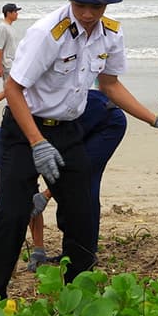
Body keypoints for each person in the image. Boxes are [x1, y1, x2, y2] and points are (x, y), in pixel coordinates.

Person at [0, 0, 158, 316]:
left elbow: (110, 84)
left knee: (83, 213)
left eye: (95, 7)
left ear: (107, 6)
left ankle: (79, 301)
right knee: (13, 214)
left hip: (69, 130)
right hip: (24, 130)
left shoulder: (110, 34)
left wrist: (154, 119)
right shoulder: (46, 34)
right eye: (80, 4)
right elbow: (13, 90)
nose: (86, 13)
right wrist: (36, 143)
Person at [25, 88, 128, 270]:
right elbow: (31, 199)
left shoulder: (36, 129)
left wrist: (46, 195)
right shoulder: (17, 145)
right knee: (68, 187)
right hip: (84, 124)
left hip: (108, 122)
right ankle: (75, 249)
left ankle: (85, 251)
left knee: (83, 182)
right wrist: (38, 249)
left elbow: (41, 194)